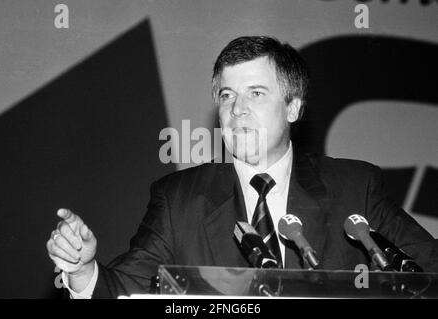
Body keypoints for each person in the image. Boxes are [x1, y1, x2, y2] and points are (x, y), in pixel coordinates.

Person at [46, 36, 438, 298]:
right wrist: (82, 272)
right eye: (227, 95)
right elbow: (124, 289)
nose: (237, 109)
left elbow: (429, 271)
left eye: (256, 93)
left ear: (293, 107)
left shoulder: (355, 187)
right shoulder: (179, 199)